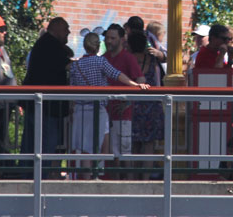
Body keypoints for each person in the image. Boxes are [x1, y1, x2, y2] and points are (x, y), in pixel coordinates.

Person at [70, 31, 148, 178]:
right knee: (101, 145)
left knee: (84, 147)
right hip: (98, 109)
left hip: (80, 110)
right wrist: (133, 85)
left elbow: (72, 89)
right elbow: (116, 74)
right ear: (98, 46)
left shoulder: (76, 65)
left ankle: (85, 178)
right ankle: (99, 175)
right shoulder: (101, 62)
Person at [21, 16, 72, 171]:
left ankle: (28, 175)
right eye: (65, 29)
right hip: (47, 107)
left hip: (39, 105)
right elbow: (65, 64)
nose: (68, 33)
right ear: (55, 29)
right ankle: (40, 177)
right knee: (45, 144)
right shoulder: (51, 46)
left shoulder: (43, 45)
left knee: (31, 144)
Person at [102, 23, 144, 169]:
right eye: (107, 38)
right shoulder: (104, 57)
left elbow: (140, 80)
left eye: (112, 38)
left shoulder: (128, 58)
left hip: (123, 114)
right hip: (107, 113)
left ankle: (128, 184)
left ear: (121, 40)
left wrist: (128, 101)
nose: (108, 41)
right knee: (111, 154)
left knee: (124, 153)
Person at [127, 30, 164, 177]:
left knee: (134, 145)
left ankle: (133, 177)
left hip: (133, 105)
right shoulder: (152, 60)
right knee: (149, 145)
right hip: (152, 106)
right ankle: (146, 178)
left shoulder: (129, 60)